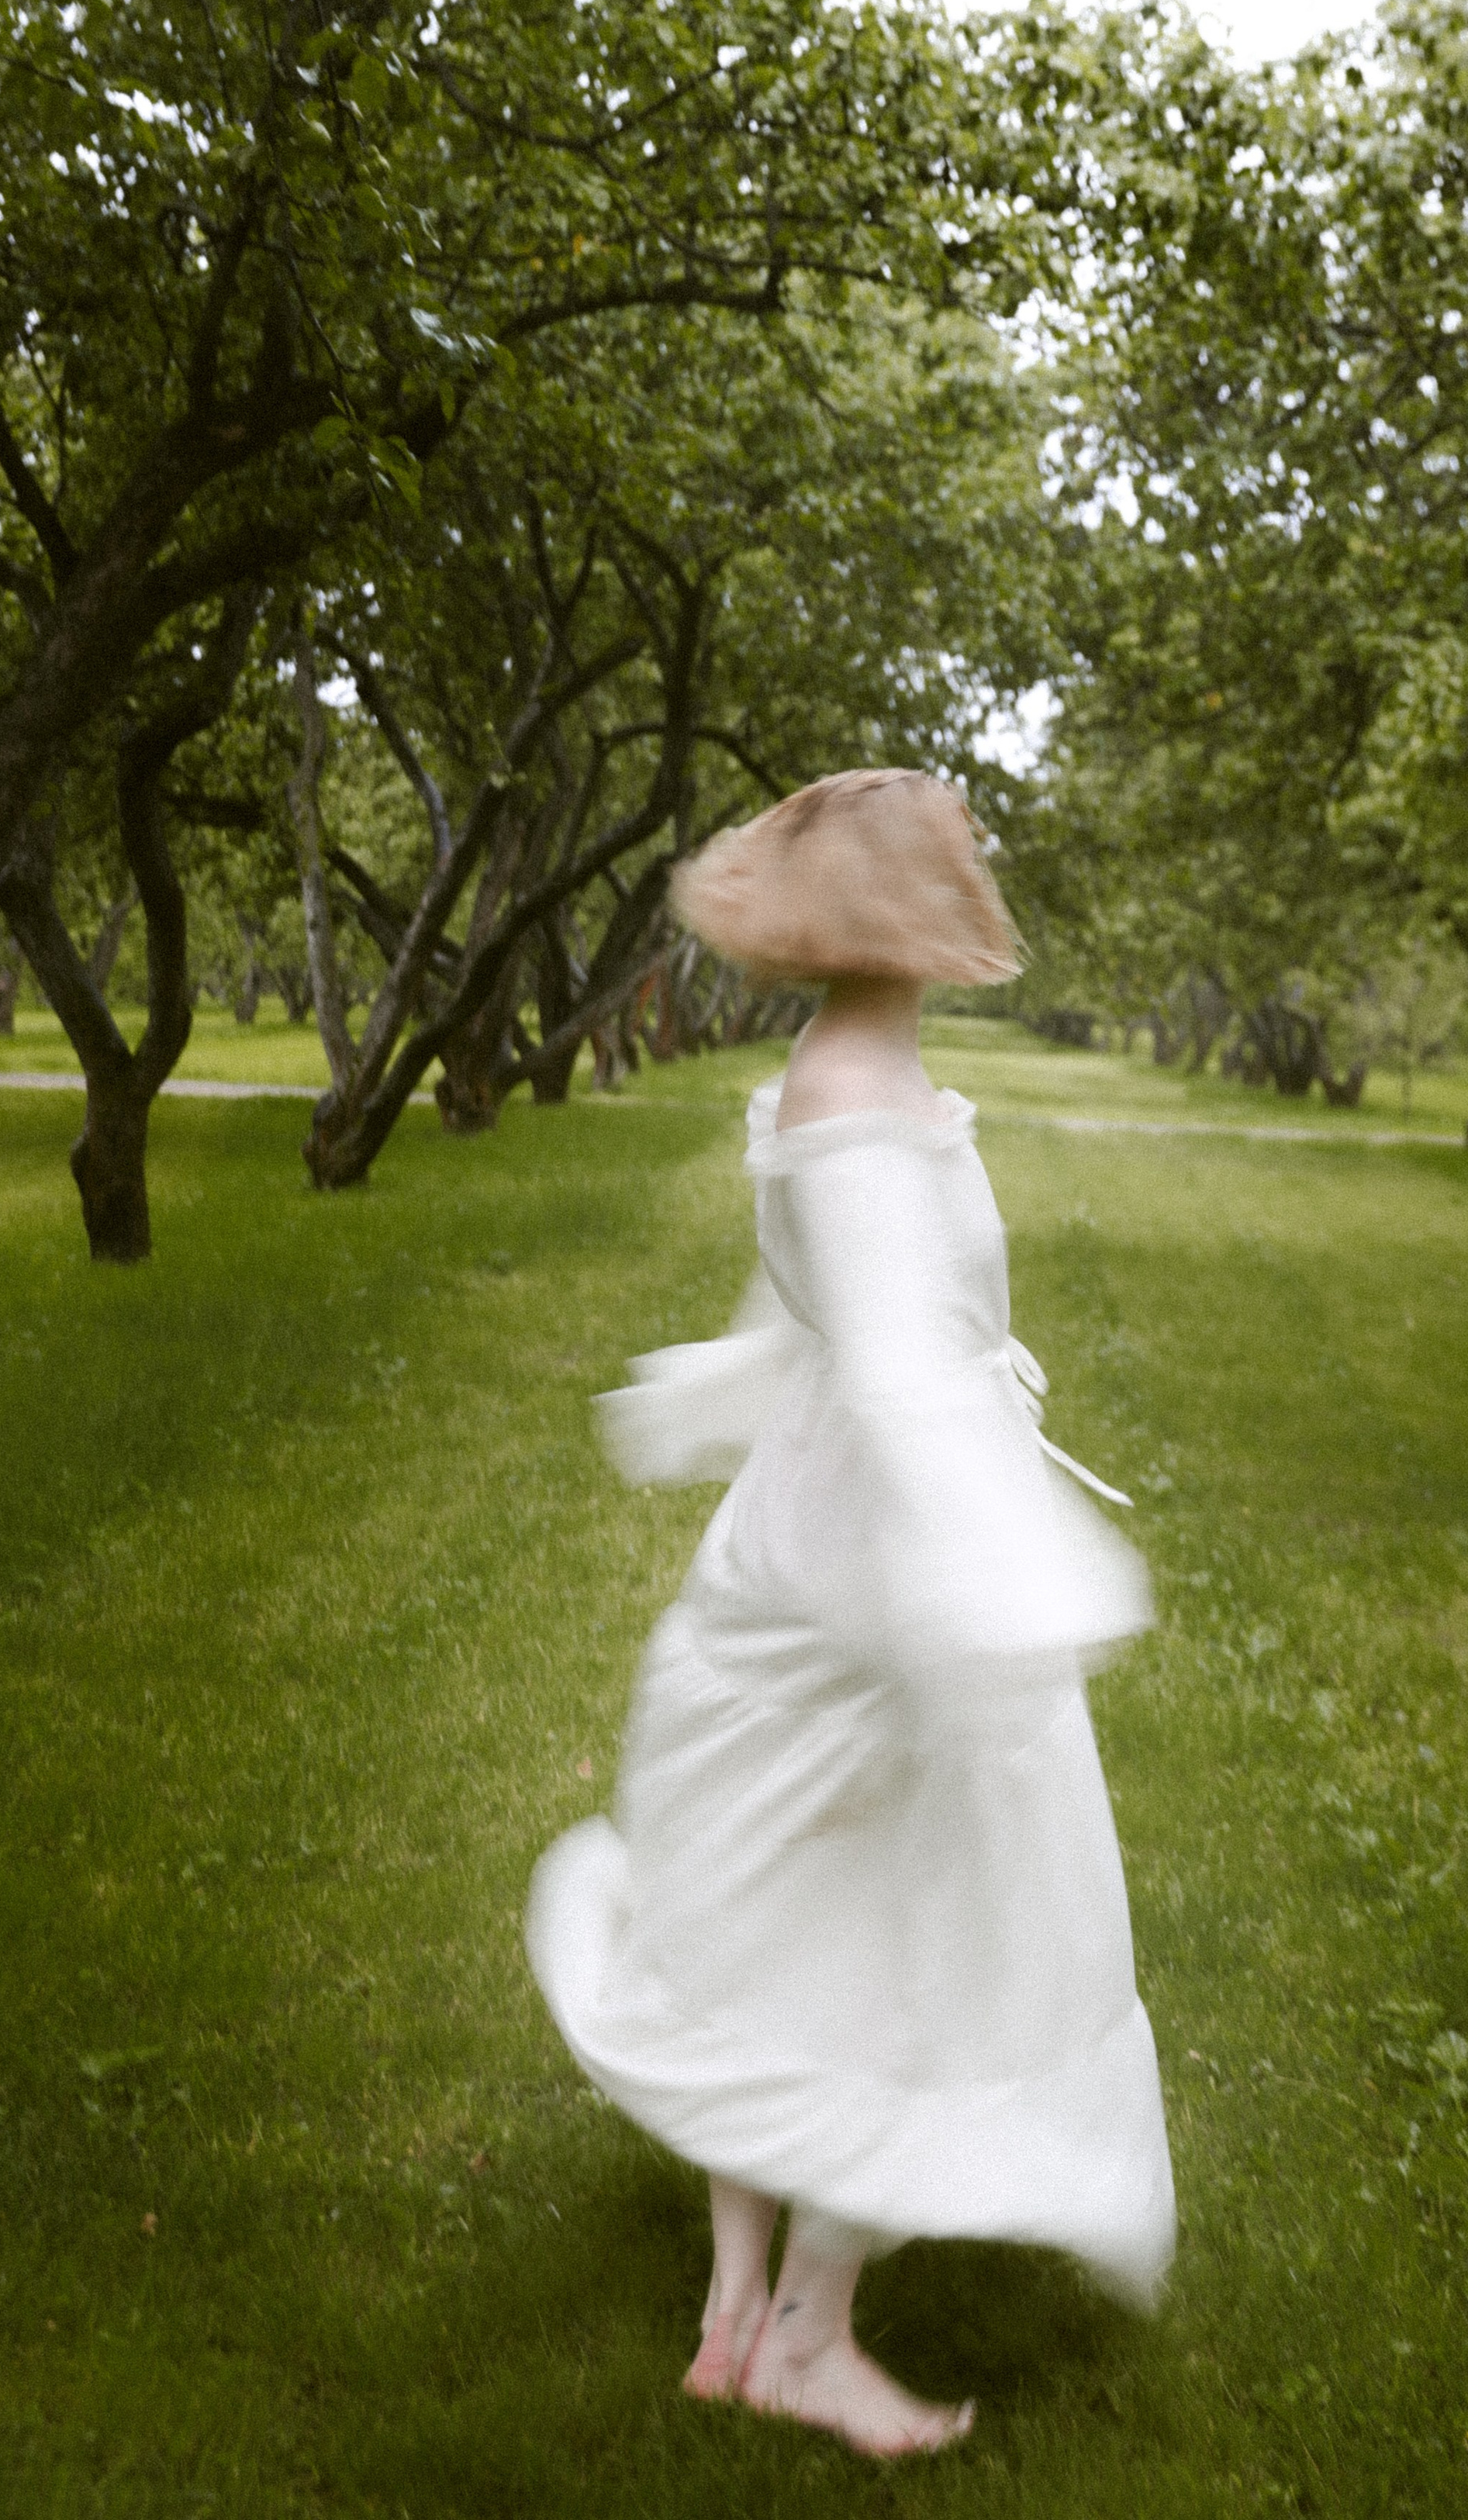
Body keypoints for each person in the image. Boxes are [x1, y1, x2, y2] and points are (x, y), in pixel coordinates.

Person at [526, 768, 1174, 2460]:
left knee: (775, 1921)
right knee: (903, 1946)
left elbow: (802, 1319)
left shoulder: (833, 1080)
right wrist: (995, 1572)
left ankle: (736, 2320)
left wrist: (711, 1394)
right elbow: (887, 1365)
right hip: (877, 1565)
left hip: (817, 1535)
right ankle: (801, 2334)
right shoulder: (860, 1098)